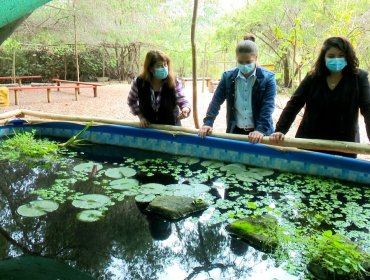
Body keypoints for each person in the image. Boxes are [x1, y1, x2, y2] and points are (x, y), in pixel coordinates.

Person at [270, 36, 370, 157]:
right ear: (324, 57)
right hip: (310, 142)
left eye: (340, 55)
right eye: (331, 56)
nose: (336, 59)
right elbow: (294, 104)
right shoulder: (313, 77)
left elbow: (368, 109)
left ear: (347, 56)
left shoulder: (359, 78)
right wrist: (280, 130)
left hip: (344, 146)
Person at [198, 38, 276, 143]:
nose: (244, 65)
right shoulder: (227, 77)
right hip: (235, 131)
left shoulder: (268, 78)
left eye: (248, 62)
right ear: (236, 59)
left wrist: (260, 129)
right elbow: (216, 101)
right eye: (240, 62)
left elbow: (268, 106)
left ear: (256, 58)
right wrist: (208, 122)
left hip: (261, 133)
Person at [128, 50, 191, 127]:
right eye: (159, 66)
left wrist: (185, 109)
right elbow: (131, 101)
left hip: (171, 128)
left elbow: (183, 100)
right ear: (150, 68)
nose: (164, 68)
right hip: (149, 128)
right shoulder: (139, 82)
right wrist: (141, 117)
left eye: (165, 65)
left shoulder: (174, 82)